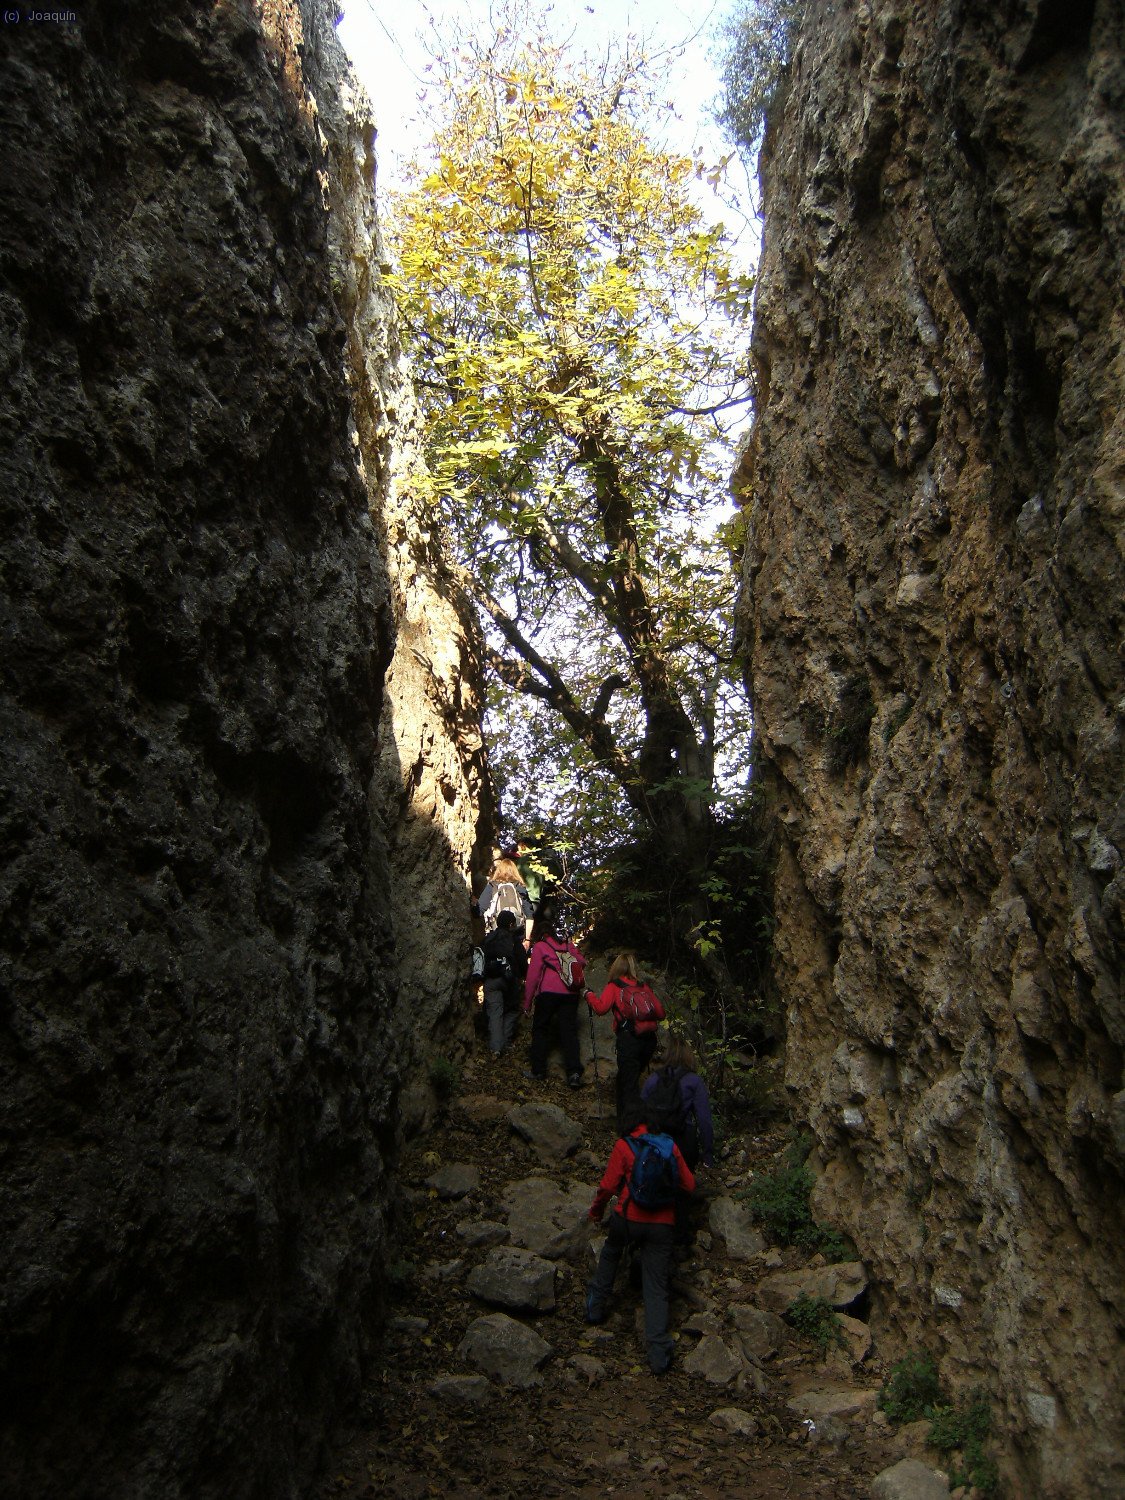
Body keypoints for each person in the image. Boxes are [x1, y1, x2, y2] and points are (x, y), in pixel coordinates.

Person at [585, 1105, 696, 1374]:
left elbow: (608, 1187)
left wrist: (597, 1211)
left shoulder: (624, 1145)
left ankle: (595, 1310)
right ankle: (658, 1355)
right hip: (662, 1225)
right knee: (656, 1287)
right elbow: (690, 1186)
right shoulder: (669, 1146)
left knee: (611, 1252)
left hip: (628, 1219)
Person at [641, 1034, 714, 1243]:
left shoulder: (654, 1078)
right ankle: (680, 1237)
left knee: (656, 1182)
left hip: (655, 1140)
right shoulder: (693, 1081)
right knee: (682, 1189)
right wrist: (707, 1153)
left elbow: (641, 1111)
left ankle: (652, 1230)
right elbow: (704, 1120)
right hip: (683, 1140)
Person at [586, 954, 666, 1128]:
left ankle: (630, 1127)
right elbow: (660, 1012)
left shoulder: (615, 986)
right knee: (629, 1079)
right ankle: (627, 1121)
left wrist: (589, 995)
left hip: (629, 1039)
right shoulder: (643, 986)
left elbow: (601, 1008)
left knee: (628, 1085)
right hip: (648, 1040)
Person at [523, 902, 586, 1087]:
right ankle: (574, 1073)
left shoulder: (541, 947)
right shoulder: (568, 946)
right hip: (570, 993)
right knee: (569, 1032)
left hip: (548, 993)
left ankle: (538, 1070)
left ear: (542, 934)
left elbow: (533, 976)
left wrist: (527, 1003)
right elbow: (582, 962)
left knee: (540, 1029)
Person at [480, 909, 528, 1056]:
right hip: (510, 980)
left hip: (491, 979)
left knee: (495, 1012)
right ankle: (506, 1042)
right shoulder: (514, 940)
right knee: (512, 1010)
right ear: (511, 924)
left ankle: (496, 1047)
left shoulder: (488, 939)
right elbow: (522, 962)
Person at [475, 854, 535, 944]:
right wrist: (527, 939)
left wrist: (472, 901)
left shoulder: (493, 886)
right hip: (517, 935)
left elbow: (479, 911)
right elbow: (529, 915)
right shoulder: (520, 887)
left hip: (497, 936)